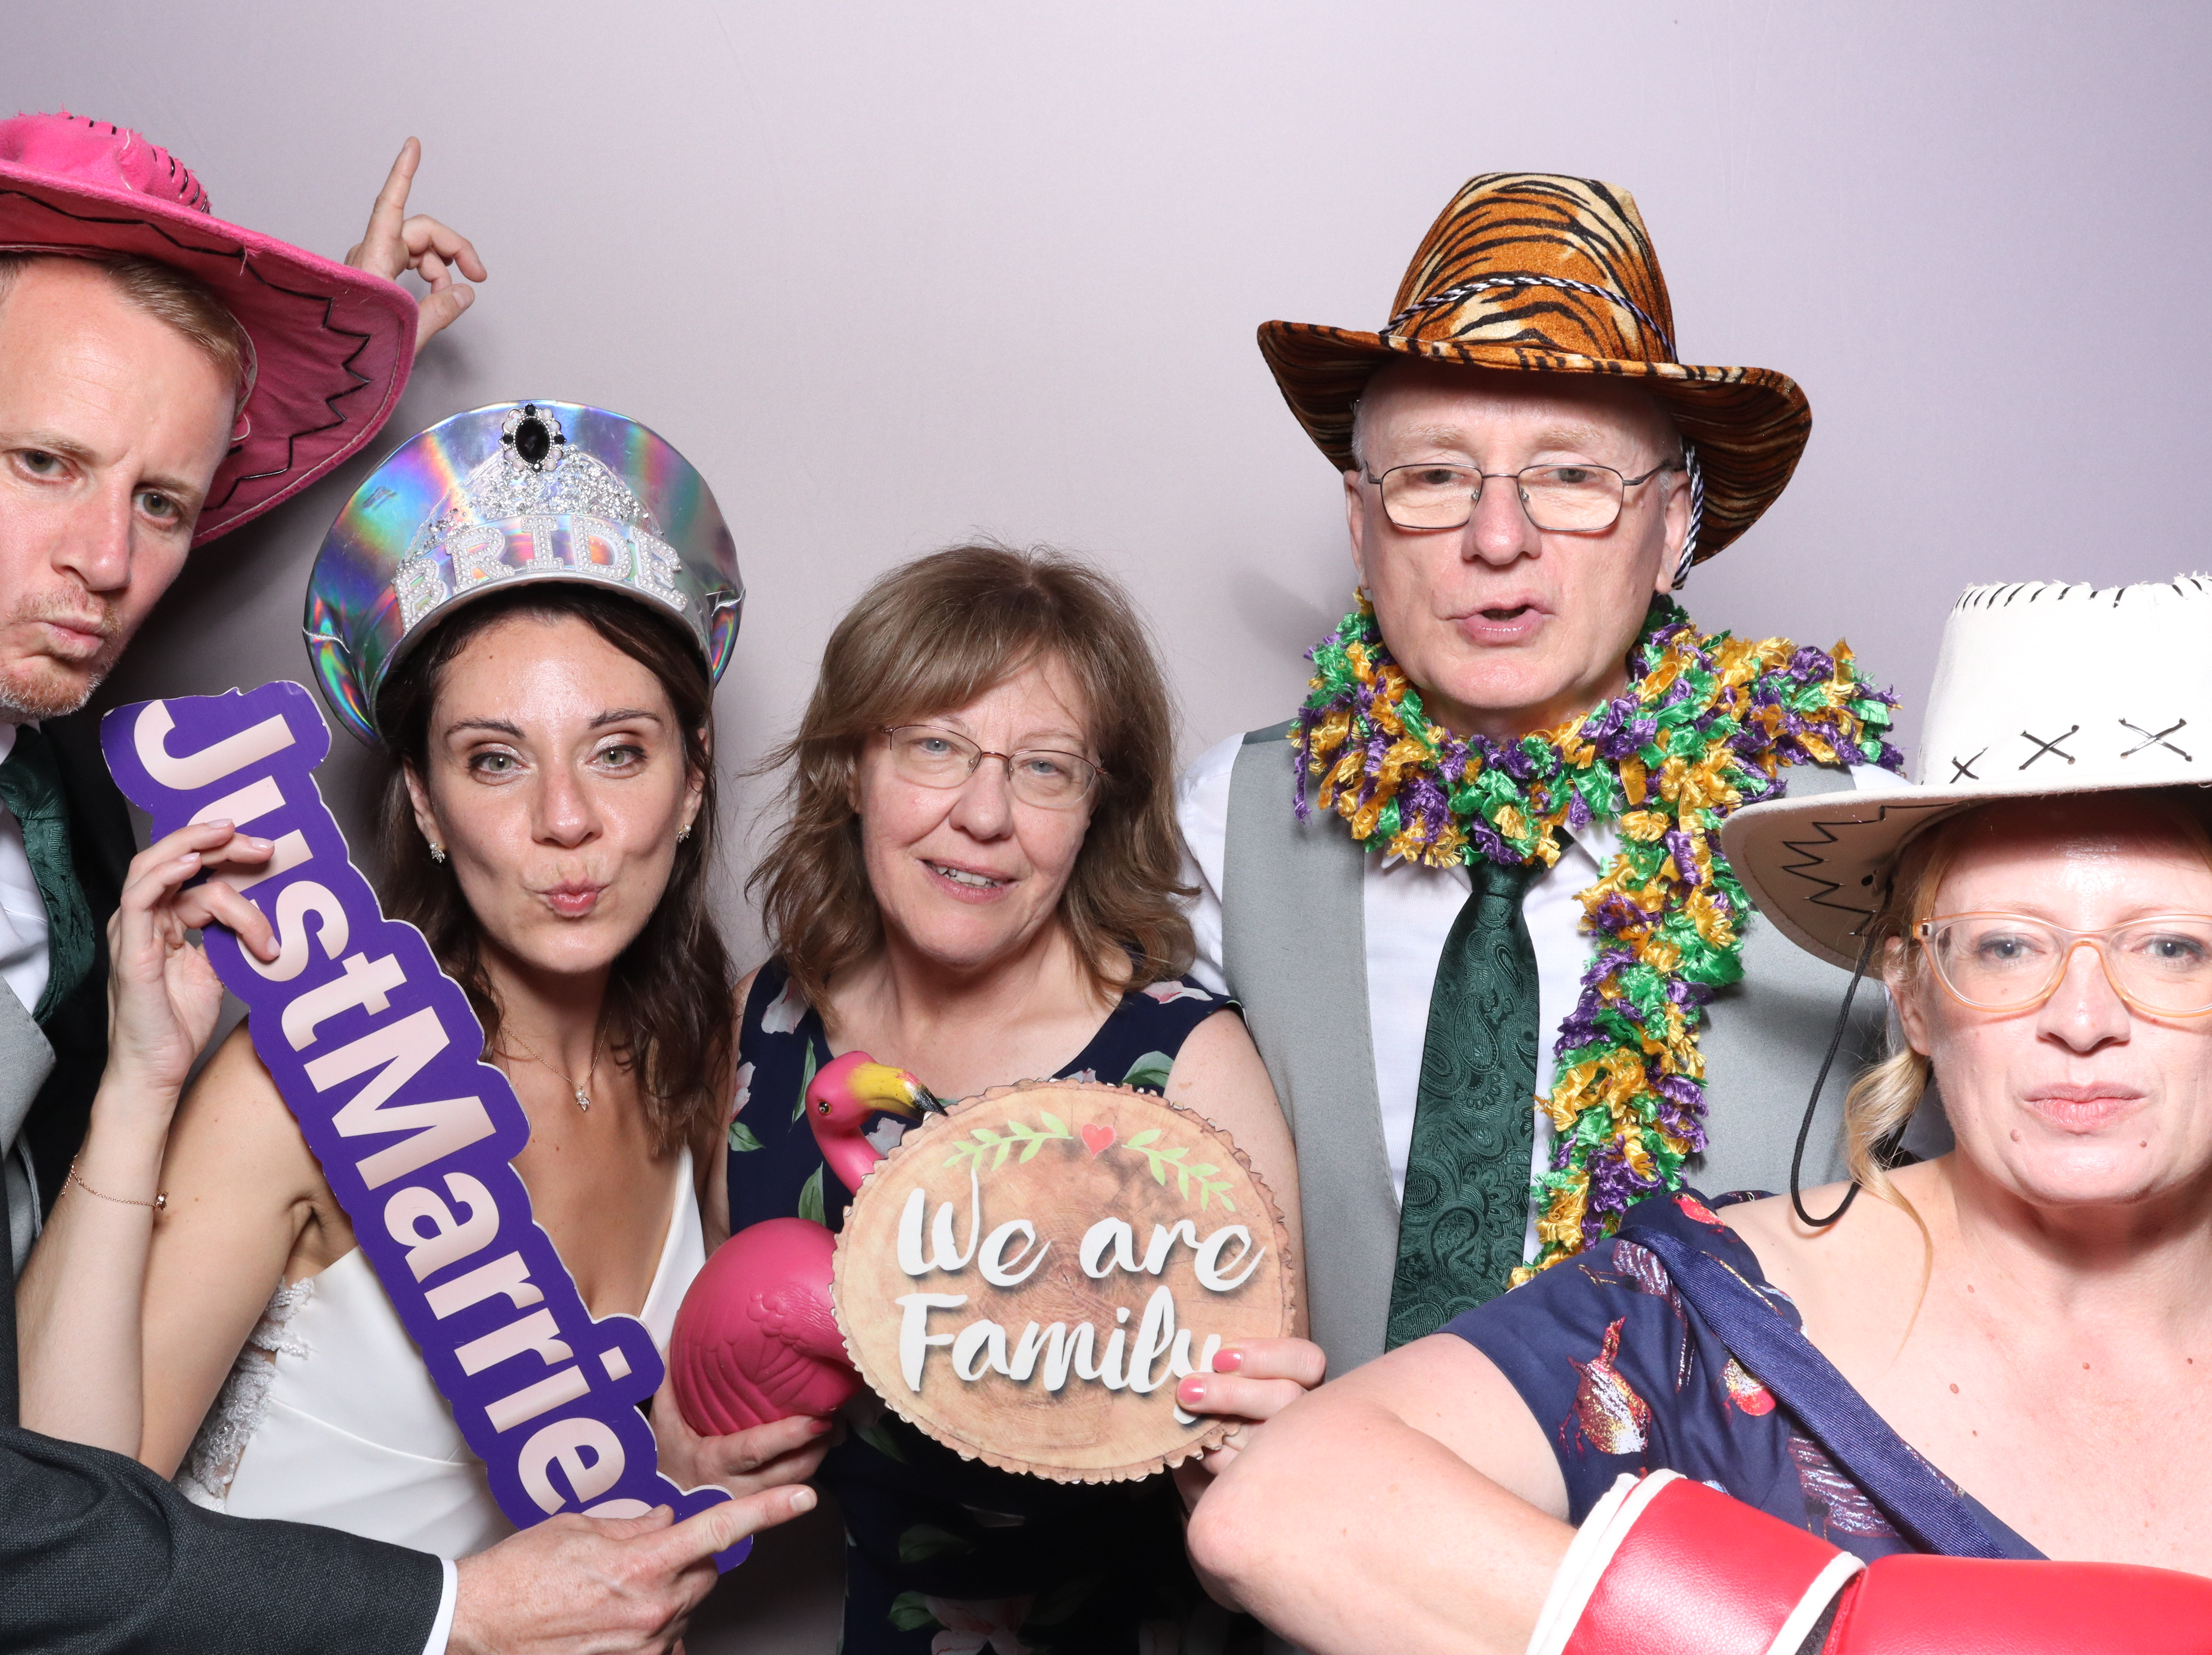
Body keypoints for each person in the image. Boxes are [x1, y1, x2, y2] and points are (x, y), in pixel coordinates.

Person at [0, 116, 802, 1653]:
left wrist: (318, 362)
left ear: (693, 781)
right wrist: (460, 1616)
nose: (108, 564)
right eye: (44, 462)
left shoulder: (4, 659)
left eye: (162, 502)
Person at [1187, 575, 2212, 1653]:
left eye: (2173, 948)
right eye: (2007, 947)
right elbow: (1285, 1512)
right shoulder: (1700, 1317)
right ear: (1913, 996)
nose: (2083, 1019)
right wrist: (1822, 1641)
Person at [15, 397, 832, 1547]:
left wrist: (667, 1462)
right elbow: (58, 1528)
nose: (565, 820)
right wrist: (140, 1087)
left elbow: (556, 1475)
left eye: (618, 752)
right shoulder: (310, 1084)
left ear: (693, 781)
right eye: (495, 761)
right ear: (427, 805)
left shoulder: (700, 1062)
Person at [1178, 172, 1918, 1379]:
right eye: (1434, 476)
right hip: (1326, 1491)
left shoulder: (1854, 836)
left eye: (1572, 477)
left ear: (1673, 529)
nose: (1499, 538)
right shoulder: (1230, 824)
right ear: (1361, 526)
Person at [724, 543, 1303, 1653]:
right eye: (935, 746)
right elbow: (724, 1375)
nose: (984, 815)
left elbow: (1262, 1535)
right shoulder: (769, 1022)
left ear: (1096, 807)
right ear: (850, 768)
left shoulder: (1187, 1071)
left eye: (1045, 768)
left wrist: (1239, 1473)